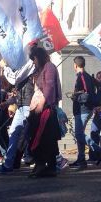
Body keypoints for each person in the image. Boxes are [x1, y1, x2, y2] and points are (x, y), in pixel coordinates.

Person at [27, 45, 62, 178]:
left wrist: (42, 102)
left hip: (46, 109)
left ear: (38, 57)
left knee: (44, 138)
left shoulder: (49, 67)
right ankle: (46, 165)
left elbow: (50, 85)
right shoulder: (41, 69)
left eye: (34, 59)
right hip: (39, 108)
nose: (33, 62)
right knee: (46, 139)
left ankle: (44, 165)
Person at [0, 58, 35, 174]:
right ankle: (9, 163)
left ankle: (56, 159)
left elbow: (14, 78)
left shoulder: (28, 64)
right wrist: (7, 103)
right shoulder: (24, 68)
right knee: (17, 133)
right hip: (22, 105)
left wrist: (5, 66)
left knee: (26, 135)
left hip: (27, 105)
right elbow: (18, 93)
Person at [70, 56, 96, 170]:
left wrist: (75, 96)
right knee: (79, 134)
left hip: (83, 110)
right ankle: (81, 160)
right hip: (81, 110)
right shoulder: (86, 76)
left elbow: (87, 94)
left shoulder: (82, 76)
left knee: (79, 134)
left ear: (75, 65)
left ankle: (96, 148)